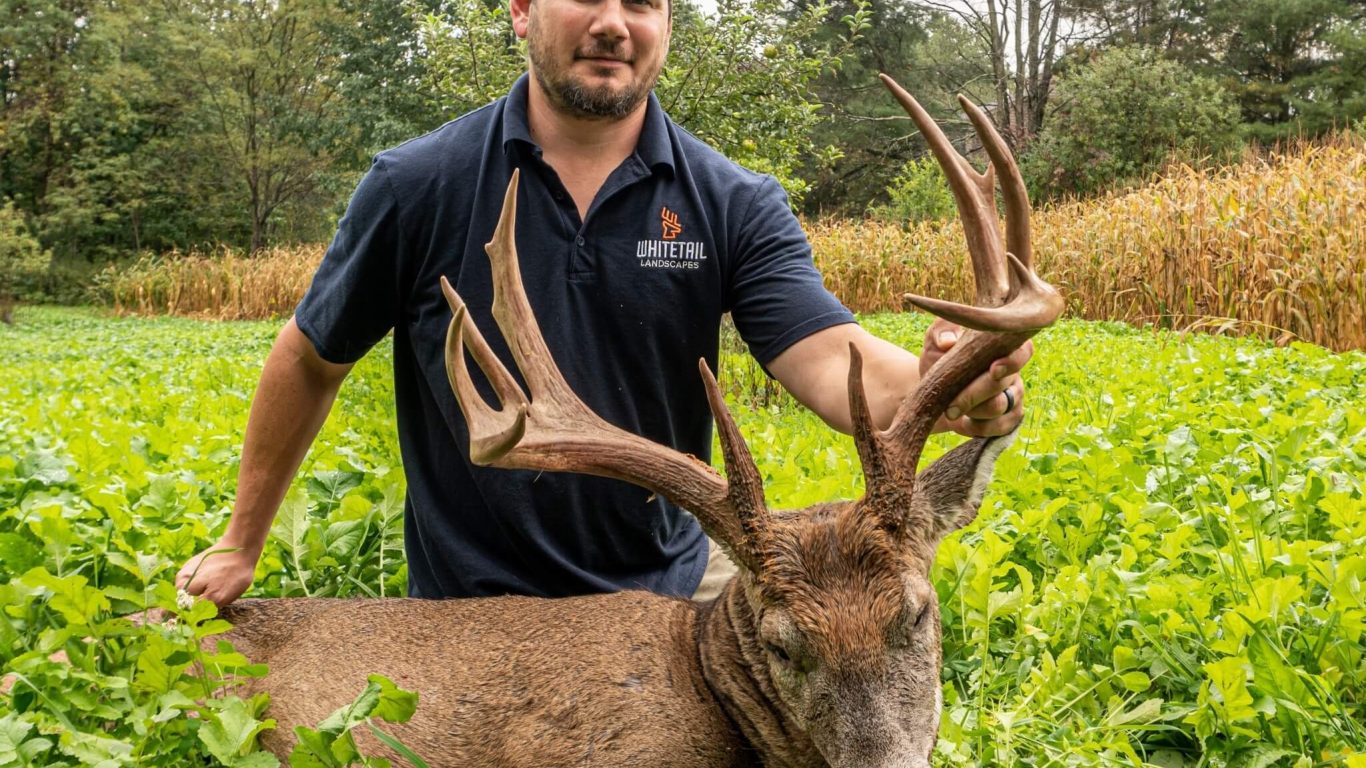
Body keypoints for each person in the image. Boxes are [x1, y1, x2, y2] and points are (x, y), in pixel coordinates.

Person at [176, 0, 1032, 606]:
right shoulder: (419, 184)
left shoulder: (730, 199)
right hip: (470, 602)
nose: (615, 23)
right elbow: (310, 357)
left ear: (666, 26)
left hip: (667, 591)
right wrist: (240, 541)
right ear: (520, 11)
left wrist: (946, 380)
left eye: (644, 2)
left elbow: (826, 353)